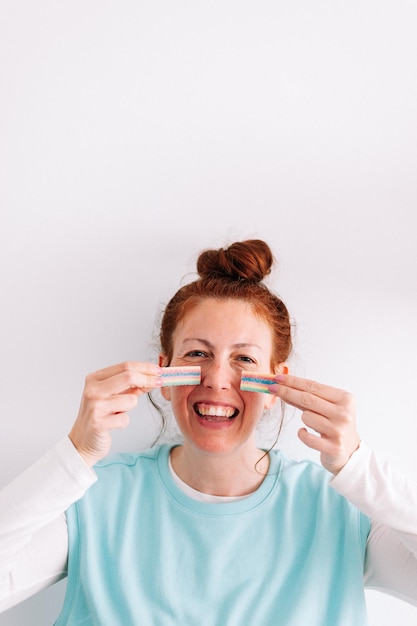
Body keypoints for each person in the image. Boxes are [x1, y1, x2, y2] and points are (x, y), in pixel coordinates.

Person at [0, 239, 416, 625]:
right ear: (163, 373)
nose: (217, 379)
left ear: (277, 386)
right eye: (198, 353)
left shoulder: (342, 510)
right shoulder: (95, 499)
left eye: (245, 359)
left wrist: (360, 466)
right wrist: (75, 455)